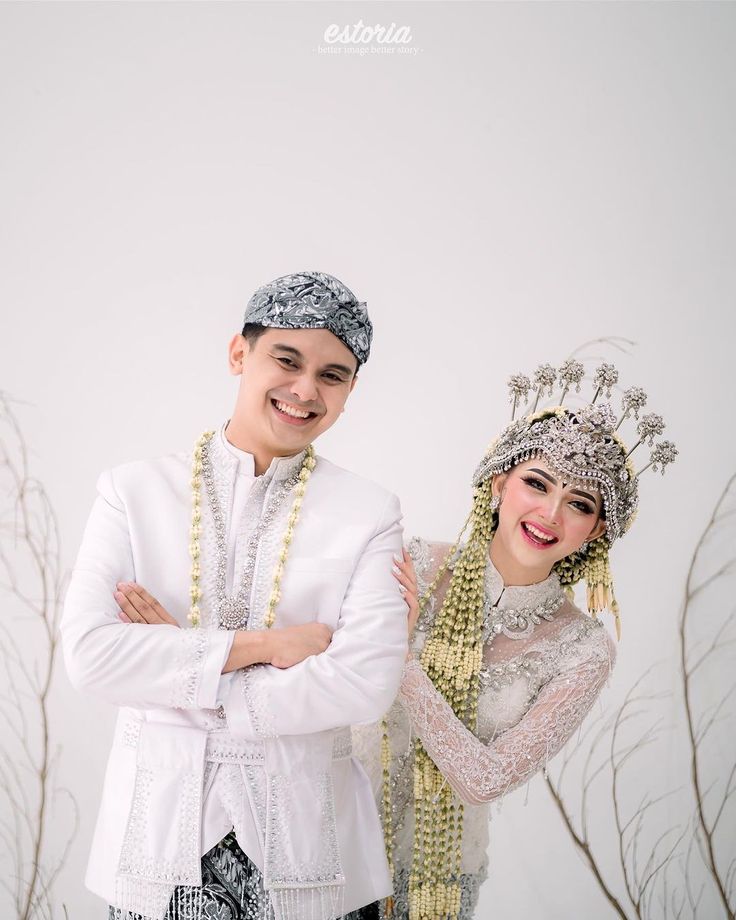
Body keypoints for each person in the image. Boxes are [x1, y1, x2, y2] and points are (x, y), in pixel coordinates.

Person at [61, 271, 408, 920]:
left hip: (310, 852)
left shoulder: (369, 513)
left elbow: (365, 685)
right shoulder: (133, 493)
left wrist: (179, 665)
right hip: (157, 846)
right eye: (287, 359)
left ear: (350, 390)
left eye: (332, 375)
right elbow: (91, 657)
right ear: (238, 354)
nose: (306, 389)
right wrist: (269, 648)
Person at [353, 360, 677, 920]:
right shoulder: (411, 565)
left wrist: (401, 662)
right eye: (537, 482)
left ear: (596, 530)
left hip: (432, 886)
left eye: (580, 503)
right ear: (499, 482)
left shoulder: (582, 648)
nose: (550, 512)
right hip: (320, 842)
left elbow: (485, 779)